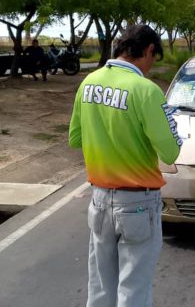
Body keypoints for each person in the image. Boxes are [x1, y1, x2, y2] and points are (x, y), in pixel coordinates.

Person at [69, 24, 182, 307]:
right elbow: (170, 152)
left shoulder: (88, 82)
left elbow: (75, 138)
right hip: (138, 204)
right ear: (149, 50)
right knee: (133, 288)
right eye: (153, 60)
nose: (151, 67)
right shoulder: (146, 90)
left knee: (100, 285)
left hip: (99, 200)